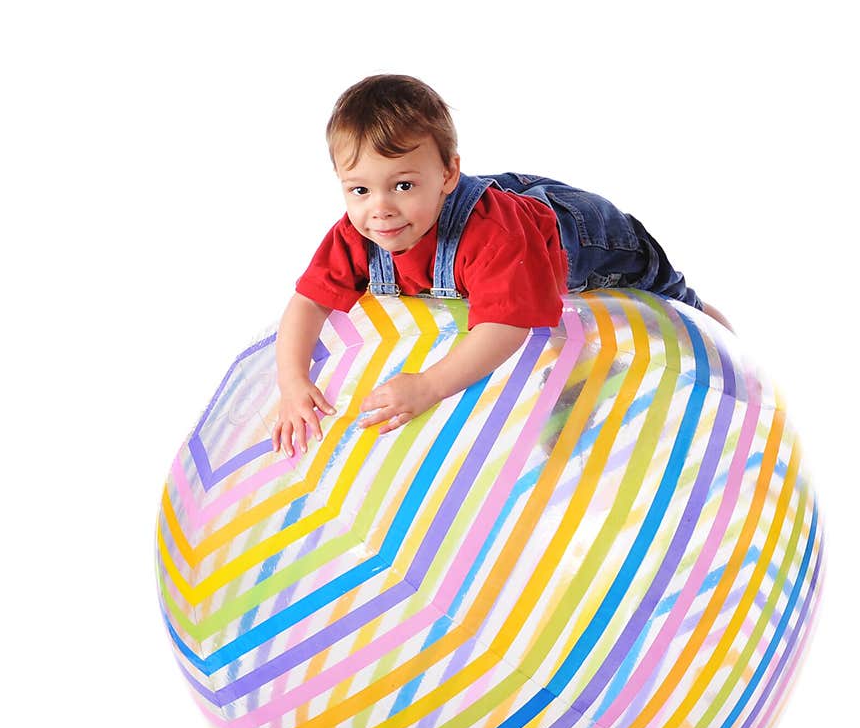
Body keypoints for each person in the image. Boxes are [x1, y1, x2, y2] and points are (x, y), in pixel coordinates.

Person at [272, 74, 733, 457]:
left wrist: (429, 386)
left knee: (673, 301)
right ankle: (586, 371)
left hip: (589, 241)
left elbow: (504, 329)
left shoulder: (492, 237)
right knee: (560, 327)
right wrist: (293, 382)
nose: (381, 209)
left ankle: (725, 338)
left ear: (448, 175)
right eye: (359, 190)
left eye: (404, 185)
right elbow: (307, 304)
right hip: (509, 223)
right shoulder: (356, 235)